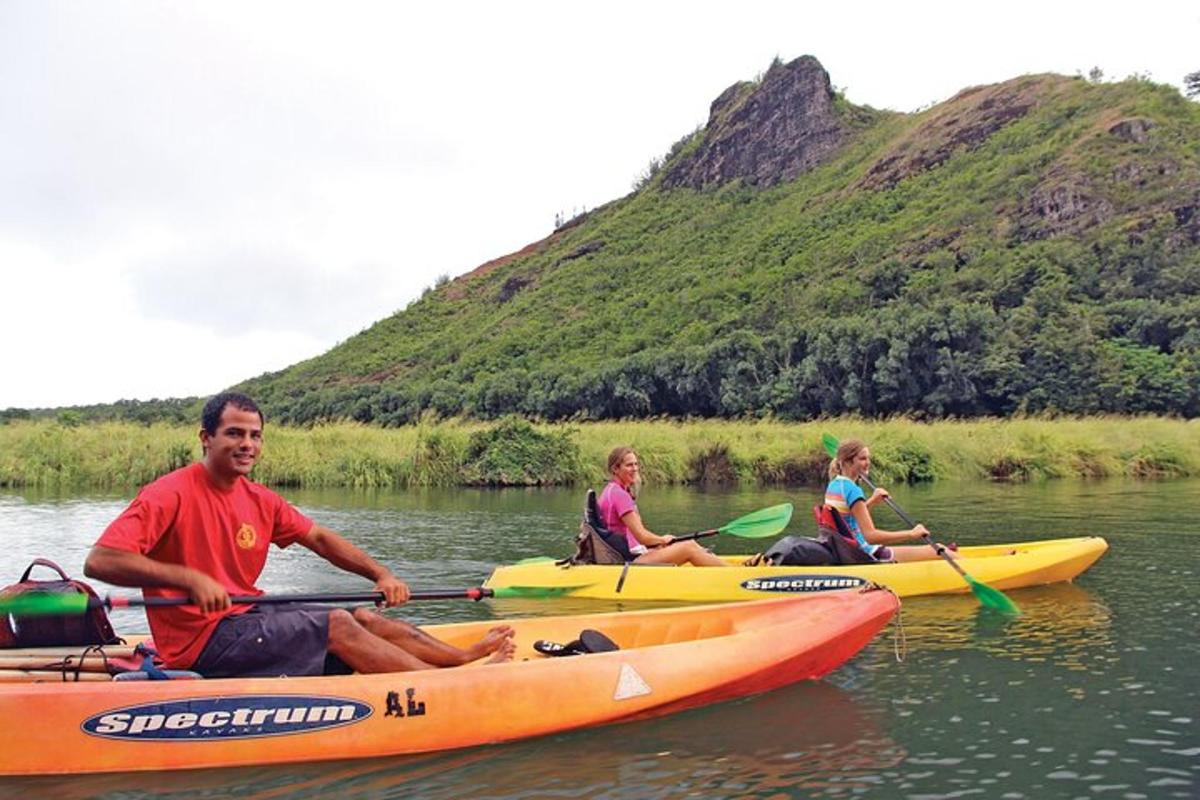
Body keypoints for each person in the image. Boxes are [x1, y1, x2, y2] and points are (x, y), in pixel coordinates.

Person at [84, 391, 515, 678]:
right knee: (337, 623)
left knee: (362, 616)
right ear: (206, 437)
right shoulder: (169, 493)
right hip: (199, 643)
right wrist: (187, 579)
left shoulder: (259, 499)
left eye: (255, 436)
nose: (246, 444)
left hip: (245, 616)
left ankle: (461, 659)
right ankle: (442, 688)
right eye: (234, 433)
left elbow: (321, 539)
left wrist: (379, 574)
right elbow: (101, 560)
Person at [596, 447, 729, 566]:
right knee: (688, 547)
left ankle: (723, 567)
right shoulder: (619, 495)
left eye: (636, 464)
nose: (635, 468)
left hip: (634, 553)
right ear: (615, 469)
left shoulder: (611, 490)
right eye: (629, 465)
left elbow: (638, 538)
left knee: (691, 544)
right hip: (629, 560)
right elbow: (642, 537)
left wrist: (658, 543)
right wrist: (662, 539)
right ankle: (734, 577)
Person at [824, 439, 948, 562]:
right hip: (866, 553)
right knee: (940, 549)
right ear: (847, 462)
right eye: (862, 459)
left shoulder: (834, 484)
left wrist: (872, 501)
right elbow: (870, 537)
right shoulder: (853, 490)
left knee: (940, 549)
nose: (868, 463)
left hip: (848, 551)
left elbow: (847, 518)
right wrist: (911, 534)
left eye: (868, 458)